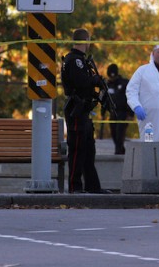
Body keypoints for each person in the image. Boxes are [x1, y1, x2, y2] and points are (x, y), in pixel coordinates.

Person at [61, 28, 109, 194]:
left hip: (84, 110)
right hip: (77, 109)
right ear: (86, 41)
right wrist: (93, 80)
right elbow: (81, 82)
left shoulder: (81, 60)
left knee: (89, 149)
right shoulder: (74, 60)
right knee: (77, 149)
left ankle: (93, 186)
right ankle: (75, 187)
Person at [103, 64, 133, 155]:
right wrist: (103, 112)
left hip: (123, 113)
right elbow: (104, 99)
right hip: (113, 113)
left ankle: (118, 151)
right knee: (114, 133)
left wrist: (131, 114)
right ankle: (121, 149)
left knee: (120, 132)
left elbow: (131, 98)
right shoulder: (107, 85)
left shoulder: (124, 83)